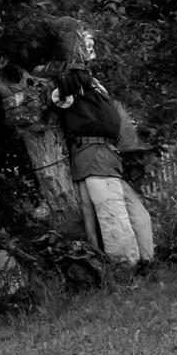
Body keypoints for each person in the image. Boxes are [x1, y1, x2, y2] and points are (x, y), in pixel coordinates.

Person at [49, 66, 154, 266]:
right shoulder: (71, 99)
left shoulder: (98, 99)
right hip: (92, 159)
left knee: (136, 215)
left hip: (105, 159)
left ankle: (144, 264)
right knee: (113, 215)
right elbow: (57, 99)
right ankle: (126, 268)